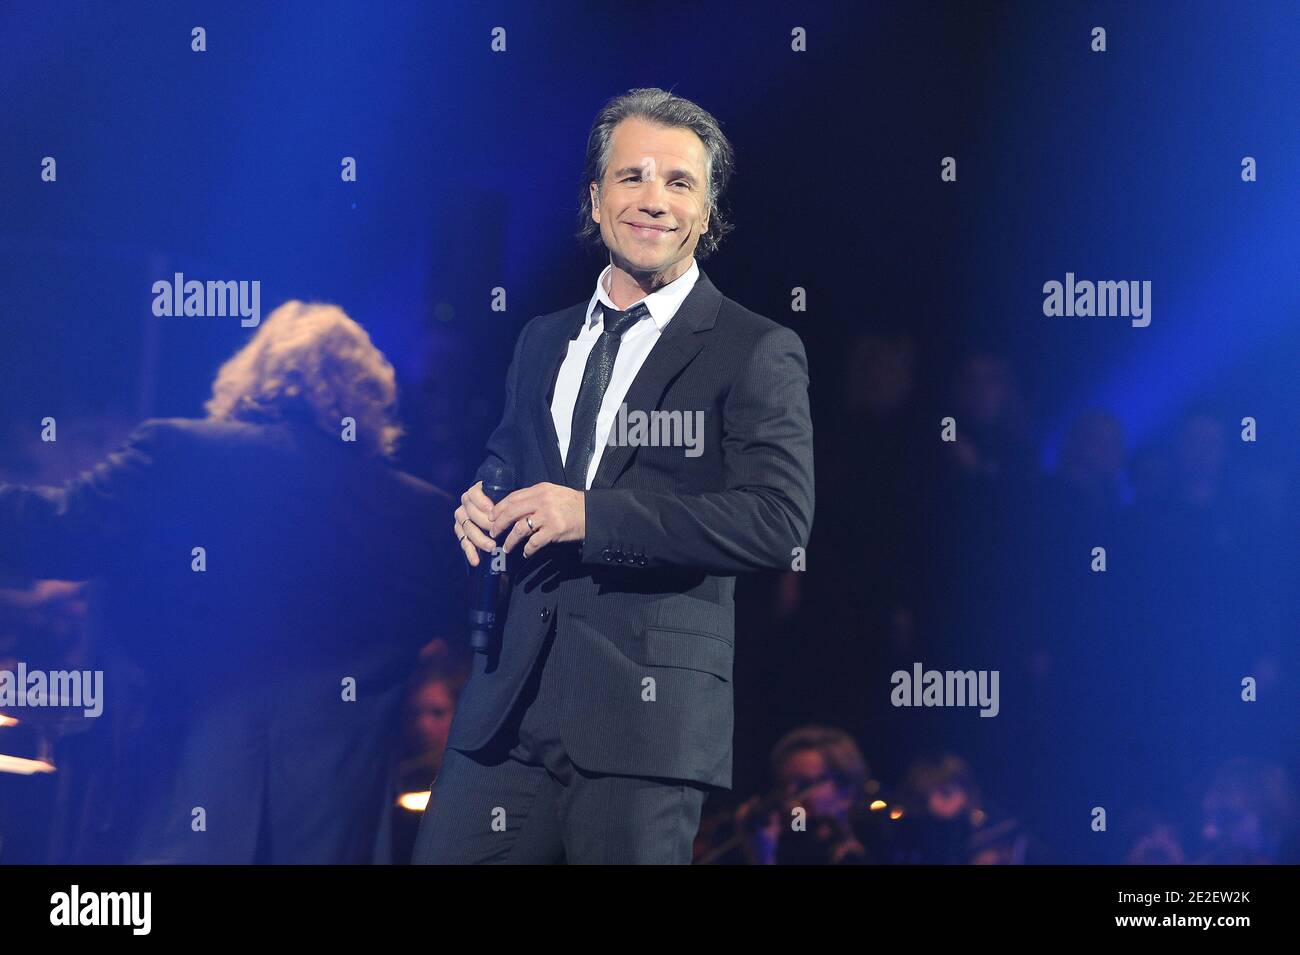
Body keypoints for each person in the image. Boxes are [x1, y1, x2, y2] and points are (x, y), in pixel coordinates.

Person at [413, 88, 815, 864]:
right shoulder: (541, 338)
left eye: (679, 182)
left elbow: (776, 520)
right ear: (595, 200)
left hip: (645, 722)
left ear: (706, 212)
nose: (654, 200)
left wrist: (592, 517)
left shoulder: (754, 348)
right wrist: (481, 498)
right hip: (505, 704)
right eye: (632, 177)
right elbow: (507, 456)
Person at [0, 301, 452, 862]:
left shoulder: (178, 453)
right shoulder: (423, 515)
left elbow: (48, 531)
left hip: (177, 816)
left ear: (253, 380)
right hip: (337, 836)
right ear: (369, 398)